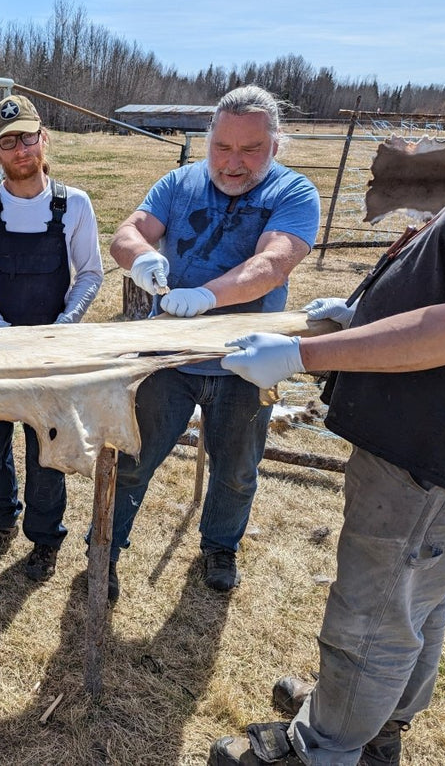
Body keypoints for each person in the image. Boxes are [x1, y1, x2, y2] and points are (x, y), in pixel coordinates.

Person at [208, 202, 445, 765]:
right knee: (416, 599)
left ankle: (323, 749)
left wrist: (306, 352)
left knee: (373, 615)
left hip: (428, 453)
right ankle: (378, 723)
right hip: (422, 440)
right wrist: (362, 317)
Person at [102, 85, 320, 600]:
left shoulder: (291, 193)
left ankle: (220, 546)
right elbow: (127, 231)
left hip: (248, 358)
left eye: (251, 150)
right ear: (208, 142)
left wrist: (207, 295)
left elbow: (273, 263)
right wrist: (141, 257)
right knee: (135, 458)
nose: (234, 162)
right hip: (171, 353)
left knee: (237, 469)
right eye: (223, 147)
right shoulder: (179, 184)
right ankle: (105, 547)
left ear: (276, 146)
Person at [0, 94, 103, 581]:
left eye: (26, 137)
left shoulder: (73, 205)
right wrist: (1, 334)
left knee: (49, 450)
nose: (19, 149)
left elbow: (89, 275)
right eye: (7, 142)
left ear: (44, 140)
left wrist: (64, 326)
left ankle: (44, 539)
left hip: (50, 353)